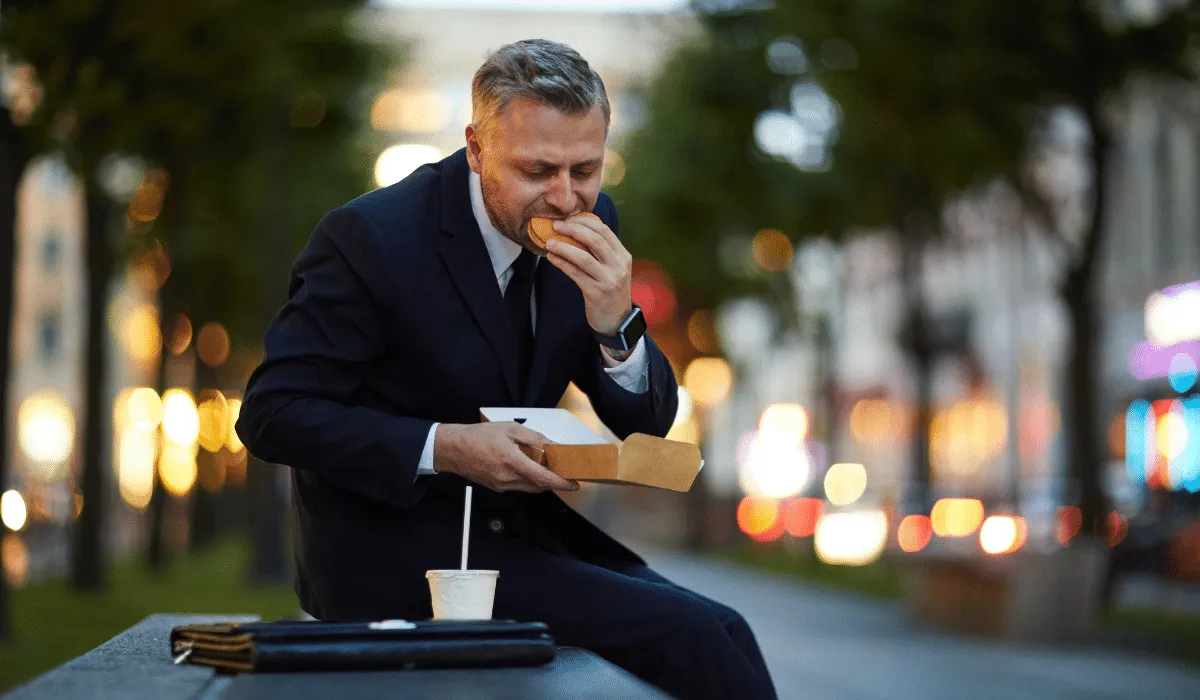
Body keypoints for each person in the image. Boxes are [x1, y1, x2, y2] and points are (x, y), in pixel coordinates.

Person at [235, 38, 777, 700]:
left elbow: (644, 419)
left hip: (523, 540)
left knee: (726, 631)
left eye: (586, 169)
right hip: (396, 554)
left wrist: (616, 323)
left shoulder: (594, 220)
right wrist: (447, 447)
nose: (565, 199)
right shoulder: (371, 238)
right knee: (689, 636)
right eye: (537, 170)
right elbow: (273, 413)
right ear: (475, 148)